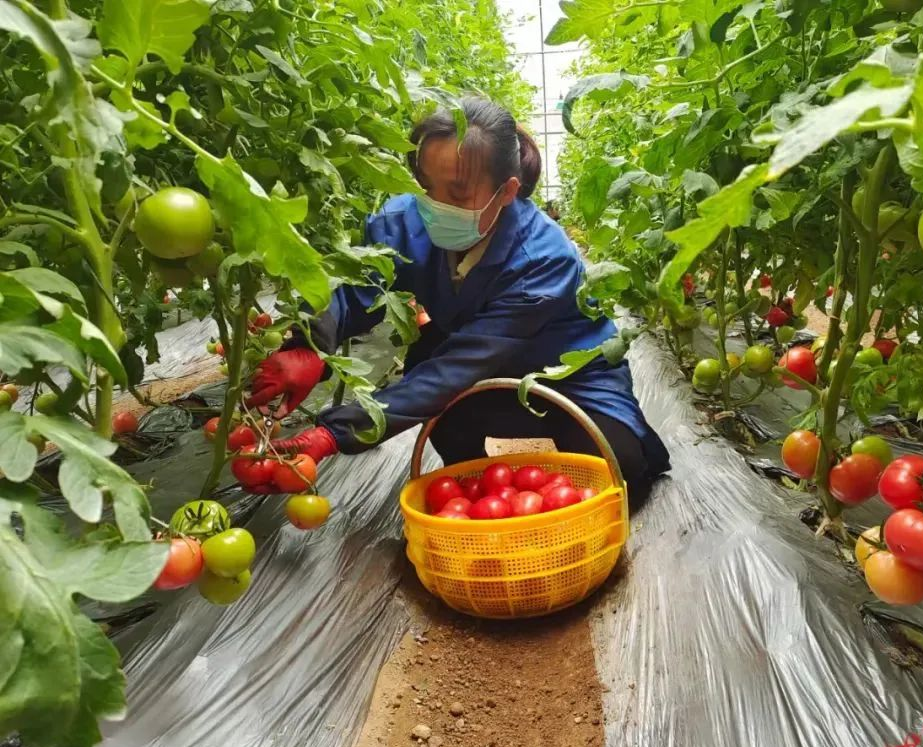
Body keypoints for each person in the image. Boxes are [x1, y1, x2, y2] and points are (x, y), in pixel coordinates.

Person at [245, 99, 670, 511]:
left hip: (569, 373)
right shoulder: (402, 222)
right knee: (461, 449)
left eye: (458, 192)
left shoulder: (543, 258)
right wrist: (310, 344)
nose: (435, 206)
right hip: (471, 368)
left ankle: (534, 453)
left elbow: (461, 366)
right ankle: (500, 462)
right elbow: (357, 287)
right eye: (426, 187)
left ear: (506, 192)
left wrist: (336, 432)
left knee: (620, 467)